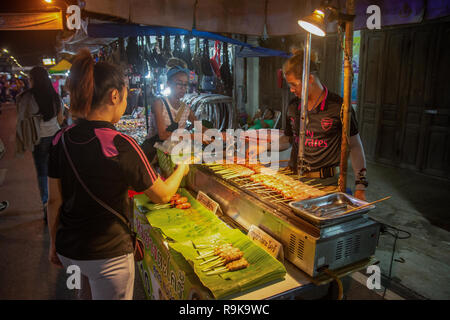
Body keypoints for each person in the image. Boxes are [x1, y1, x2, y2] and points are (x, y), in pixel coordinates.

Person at [47, 49, 189, 300]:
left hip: (70, 250)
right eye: (125, 96)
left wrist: (52, 244)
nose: (125, 103)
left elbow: (54, 202)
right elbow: (163, 195)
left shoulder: (60, 139)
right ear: (114, 96)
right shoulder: (119, 143)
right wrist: (182, 168)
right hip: (108, 256)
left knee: (83, 296)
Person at [251, 48, 368, 201]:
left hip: (326, 184)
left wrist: (360, 186)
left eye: (294, 84)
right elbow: (288, 140)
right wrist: (262, 147)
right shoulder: (293, 106)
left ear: (310, 79)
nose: (292, 90)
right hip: (294, 179)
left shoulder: (339, 107)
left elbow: (354, 146)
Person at [16, 67, 64, 221]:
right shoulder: (55, 96)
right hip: (55, 137)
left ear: (34, 80)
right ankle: (62, 204)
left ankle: (46, 206)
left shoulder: (27, 97)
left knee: (43, 174)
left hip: (39, 140)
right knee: (58, 172)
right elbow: (60, 120)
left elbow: (22, 118)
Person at [142, 58, 209, 163]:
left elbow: (200, 127)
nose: (183, 88)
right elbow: (163, 135)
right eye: (179, 83)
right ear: (169, 83)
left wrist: (217, 135)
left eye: (185, 84)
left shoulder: (185, 109)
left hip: (172, 156)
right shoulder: (159, 103)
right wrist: (192, 136)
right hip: (153, 156)